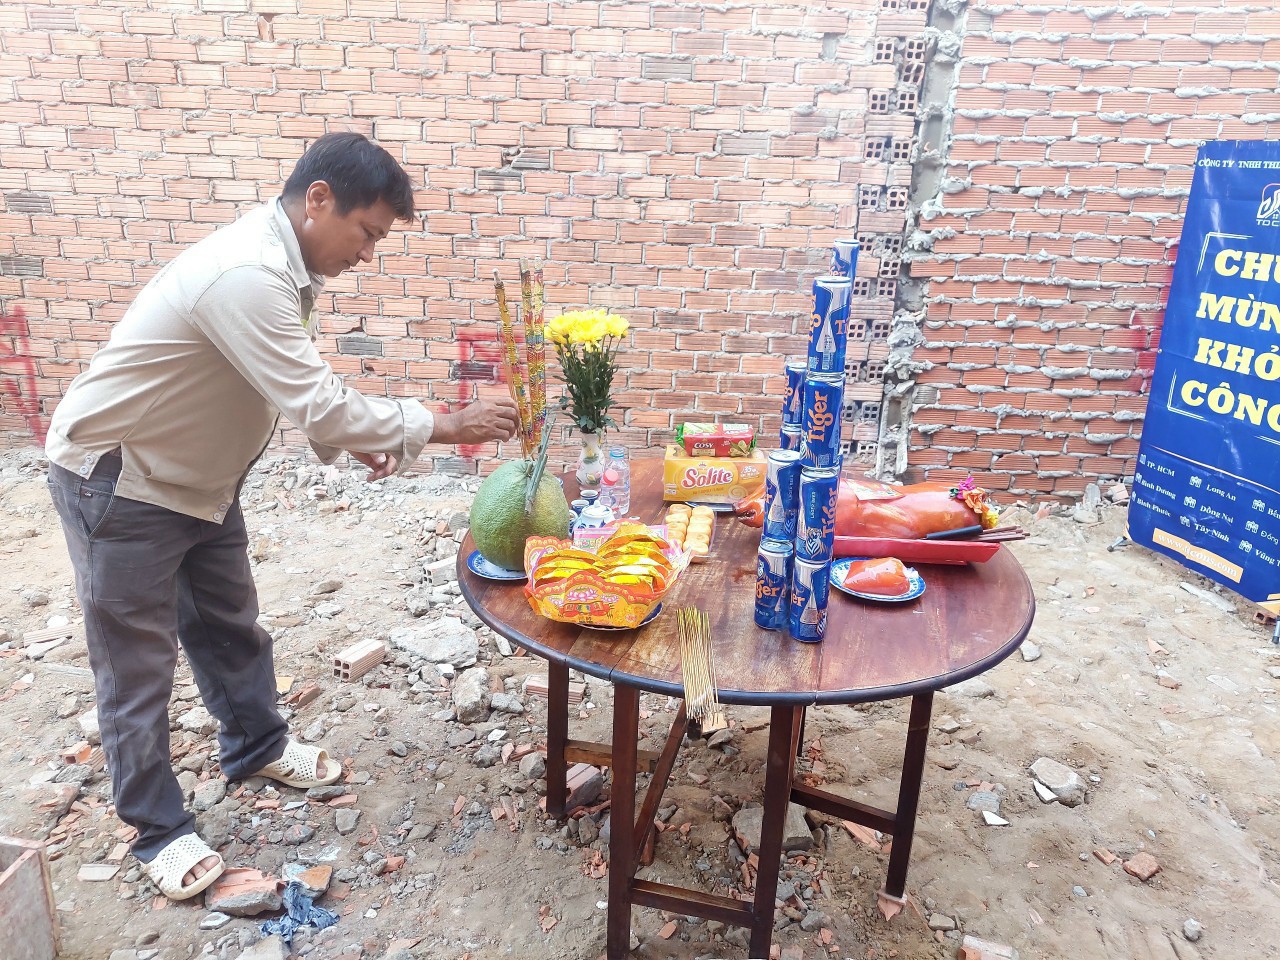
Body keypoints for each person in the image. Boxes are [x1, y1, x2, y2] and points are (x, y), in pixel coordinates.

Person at [43, 132, 518, 901]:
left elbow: (285, 386)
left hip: (197, 479)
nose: (367, 254)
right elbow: (317, 401)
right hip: (122, 481)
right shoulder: (248, 273)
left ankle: (256, 746)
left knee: (229, 622)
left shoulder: (283, 268)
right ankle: (157, 829)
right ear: (319, 199)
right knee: (136, 665)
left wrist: (348, 438)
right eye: (366, 233)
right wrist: (445, 423)